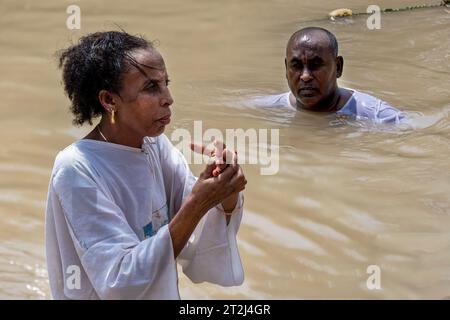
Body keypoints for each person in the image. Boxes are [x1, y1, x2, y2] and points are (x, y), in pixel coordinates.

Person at [45, 31, 247, 299]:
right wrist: (199, 202)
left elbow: (196, 233)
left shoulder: (154, 145)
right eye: (151, 87)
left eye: (166, 83)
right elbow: (120, 282)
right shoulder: (76, 168)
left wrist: (225, 191)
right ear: (109, 100)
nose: (168, 97)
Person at [255, 27, 404, 123]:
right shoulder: (267, 108)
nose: (305, 76)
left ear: (338, 67)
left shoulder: (380, 116)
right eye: (296, 66)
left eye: (315, 65)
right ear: (286, 69)